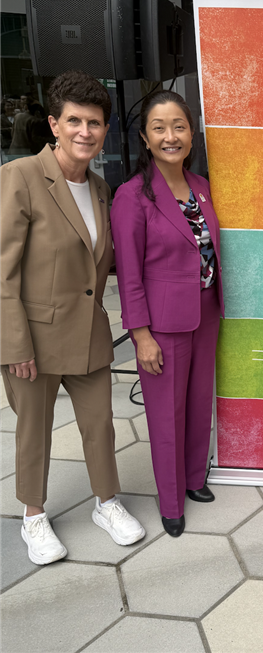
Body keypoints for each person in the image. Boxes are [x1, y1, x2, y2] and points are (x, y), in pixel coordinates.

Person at [0, 70, 145, 565]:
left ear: (106, 129)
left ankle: (106, 503)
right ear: (54, 125)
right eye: (75, 121)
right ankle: (33, 515)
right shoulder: (20, 177)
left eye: (96, 123)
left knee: (99, 425)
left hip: (88, 334)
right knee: (33, 429)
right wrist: (13, 344)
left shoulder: (102, 188)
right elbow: (3, 270)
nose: (86, 131)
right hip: (33, 340)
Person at [111, 90, 224, 538]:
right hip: (161, 324)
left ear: (191, 135)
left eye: (179, 126)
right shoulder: (133, 196)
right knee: (165, 415)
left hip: (207, 311)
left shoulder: (202, 188)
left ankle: (195, 479)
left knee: (199, 404)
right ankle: (172, 502)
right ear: (145, 136)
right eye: (159, 127)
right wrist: (140, 334)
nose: (170, 136)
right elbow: (128, 274)